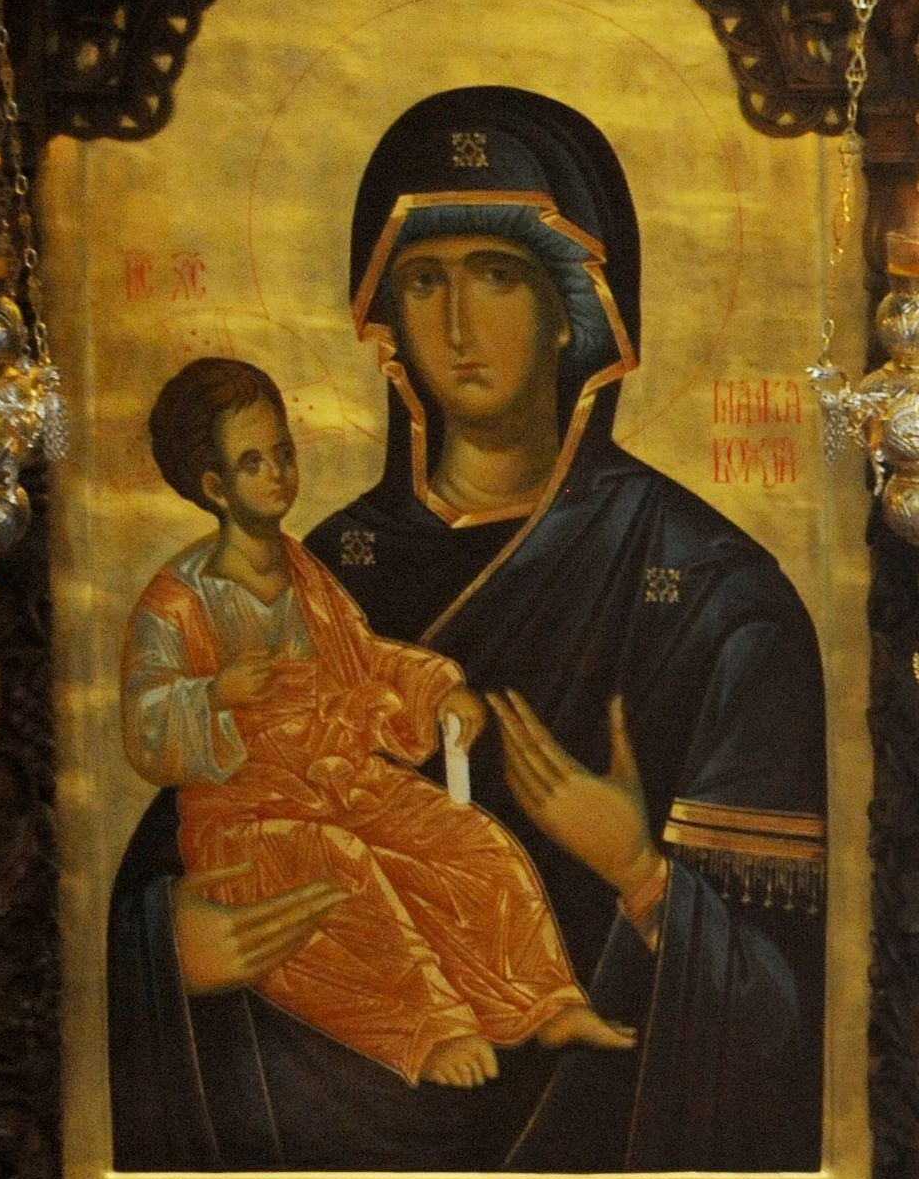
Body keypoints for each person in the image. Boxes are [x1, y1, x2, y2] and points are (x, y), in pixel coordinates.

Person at [108, 86, 827, 1172]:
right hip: (308, 1161)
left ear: (575, 307)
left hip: (599, 1168)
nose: (456, 325)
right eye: (423, 281)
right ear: (385, 316)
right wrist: (170, 948)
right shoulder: (308, 566)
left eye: (497, 276)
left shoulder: (711, 593)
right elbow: (196, 818)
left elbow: (785, 1026)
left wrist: (638, 870)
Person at [124, 357, 634, 1088]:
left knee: (471, 842)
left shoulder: (302, 572)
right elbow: (145, 724)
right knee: (344, 870)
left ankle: (542, 1001)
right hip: (251, 815)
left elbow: (363, 657)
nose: (277, 474)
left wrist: (436, 693)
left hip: (345, 781)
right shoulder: (178, 602)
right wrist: (212, 695)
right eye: (252, 462)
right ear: (214, 487)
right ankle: (432, 1031)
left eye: (284, 454)